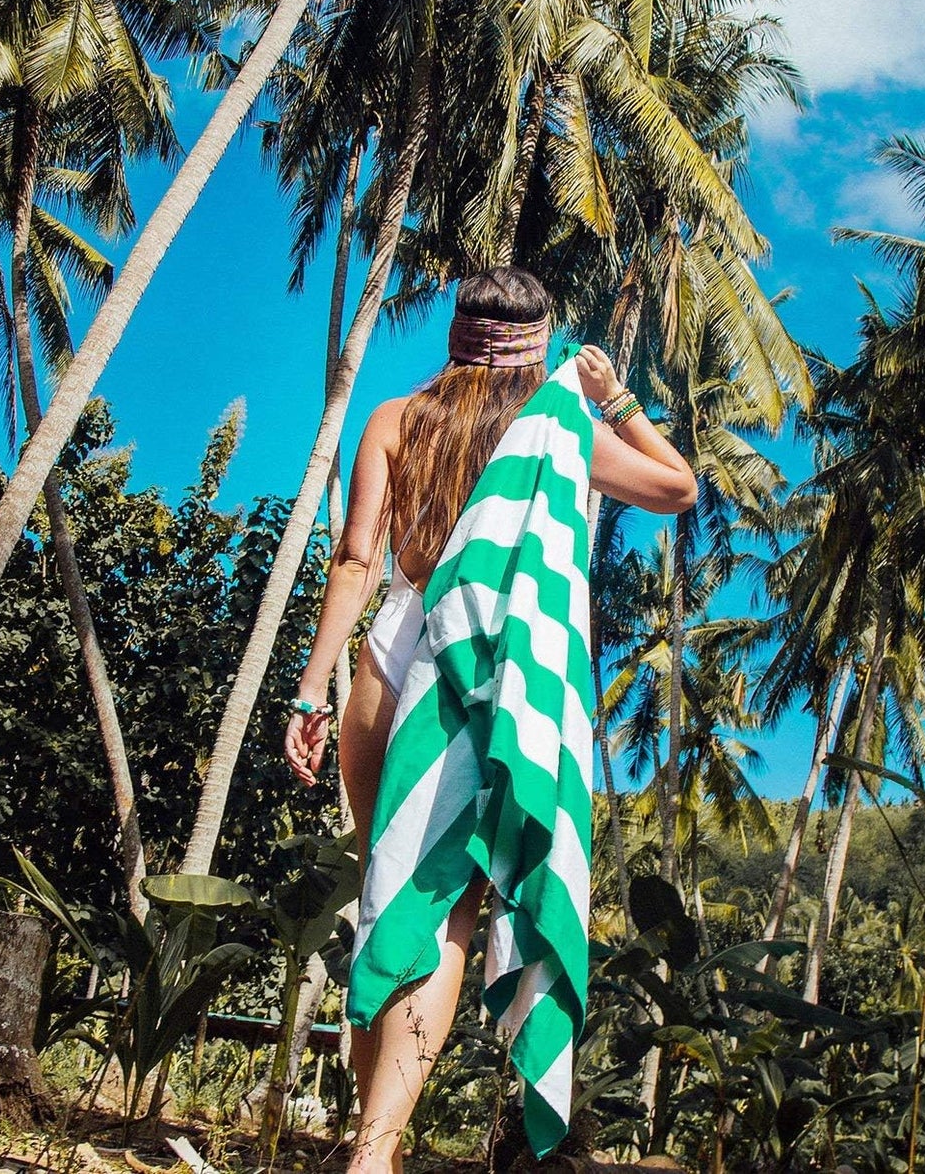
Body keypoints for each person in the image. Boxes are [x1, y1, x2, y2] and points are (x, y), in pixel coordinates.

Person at [284, 267, 695, 1173]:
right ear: (540, 343)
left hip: (390, 659)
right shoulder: (564, 430)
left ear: (456, 334)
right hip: (490, 670)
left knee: (387, 895)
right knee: (442, 917)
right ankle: (373, 1154)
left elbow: (355, 561)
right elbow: (677, 487)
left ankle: (369, 1140)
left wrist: (312, 690)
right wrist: (615, 397)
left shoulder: (396, 417)